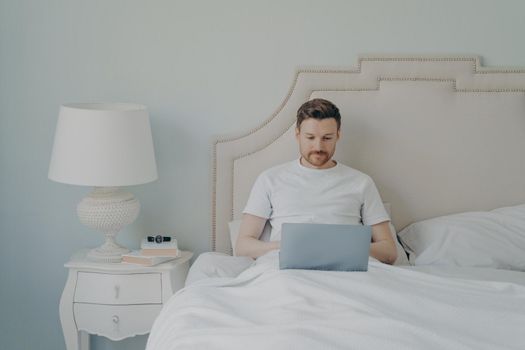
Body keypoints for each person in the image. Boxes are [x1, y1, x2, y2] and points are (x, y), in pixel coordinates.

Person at [235, 98, 397, 264]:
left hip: (347, 268)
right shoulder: (270, 179)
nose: (318, 147)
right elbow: (243, 246)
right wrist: (289, 246)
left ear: (338, 136)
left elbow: (389, 252)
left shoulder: (362, 182)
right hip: (287, 269)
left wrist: (341, 247)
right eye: (310, 137)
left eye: (327, 138)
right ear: (297, 135)